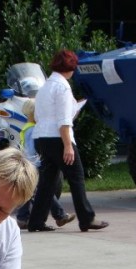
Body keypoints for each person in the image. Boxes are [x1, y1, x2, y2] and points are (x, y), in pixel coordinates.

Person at [27, 49, 109, 232]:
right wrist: (67, 146)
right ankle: (87, 218)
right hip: (58, 138)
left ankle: (36, 221)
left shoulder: (45, 87)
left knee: (47, 181)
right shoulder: (63, 87)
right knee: (76, 177)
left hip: (42, 137)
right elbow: (64, 121)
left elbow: (40, 115)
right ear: (71, 67)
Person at [15, 98, 75, 230]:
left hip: (30, 164)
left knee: (33, 191)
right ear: (34, 114)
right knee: (44, 190)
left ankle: (23, 218)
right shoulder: (33, 129)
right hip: (34, 165)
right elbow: (32, 149)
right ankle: (59, 215)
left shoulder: (27, 127)